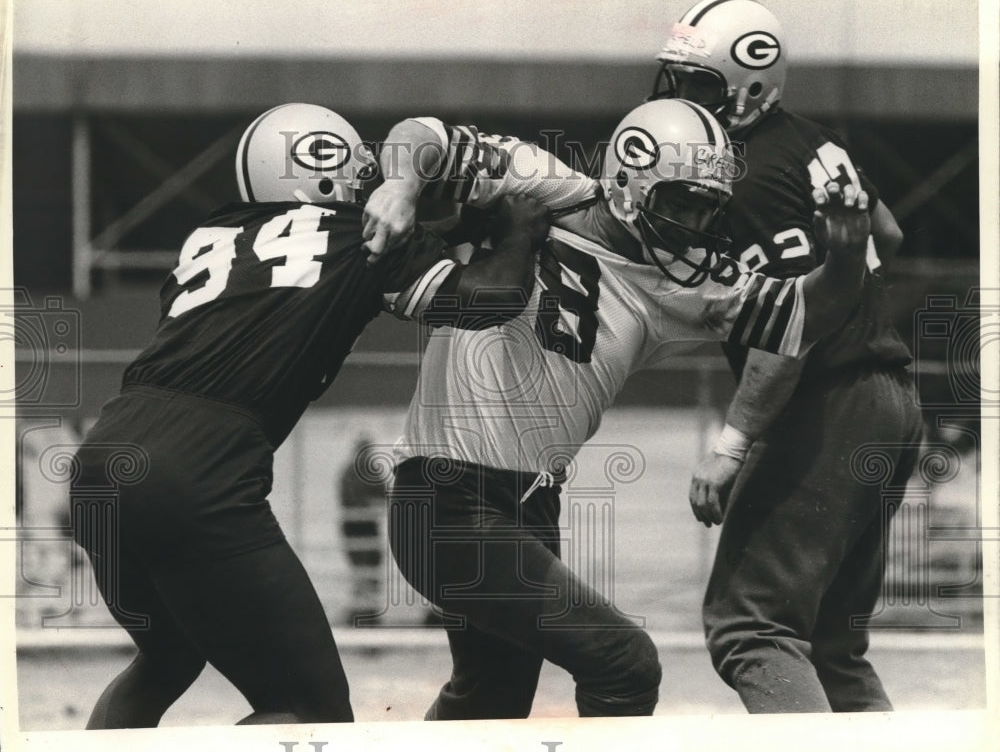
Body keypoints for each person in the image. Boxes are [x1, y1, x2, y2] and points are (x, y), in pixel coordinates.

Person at [361, 97, 875, 719]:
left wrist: (844, 258)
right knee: (623, 662)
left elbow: (801, 316)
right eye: (679, 202)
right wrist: (400, 182)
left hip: (528, 503)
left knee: (490, 700)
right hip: (446, 494)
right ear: (628, 183)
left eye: (703, 208)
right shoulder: (550, 185)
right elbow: (423, 133)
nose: (691, 223)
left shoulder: (677, 283)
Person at [69, 102, 550, 727]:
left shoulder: (213, 234)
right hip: (197, 468)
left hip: (104, 458)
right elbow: (493, 299)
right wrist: (518, 231)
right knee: (308, 711)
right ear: (325, 169)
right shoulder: (355, 237)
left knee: (165, 659)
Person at [650, 0, 924, 712]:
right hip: (887, 392)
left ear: (750, 84)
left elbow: (790, 326)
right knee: (832, 646)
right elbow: (886, 234)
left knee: (751, 625)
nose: (681, 98)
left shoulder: (743, 170)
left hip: (824, 401)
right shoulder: (811, 139)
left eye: (699, 83)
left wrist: (731, 444)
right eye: (677, 79)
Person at [337, 434, 388, 625]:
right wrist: (374, 505)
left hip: (368, 528)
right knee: (363, 573)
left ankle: (364, 615)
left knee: (369, 573)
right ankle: (362, 616)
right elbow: (352, 502)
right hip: (356, 528)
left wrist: (374, 505)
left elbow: (386, 495)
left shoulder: (370, 471)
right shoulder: (351, 473)